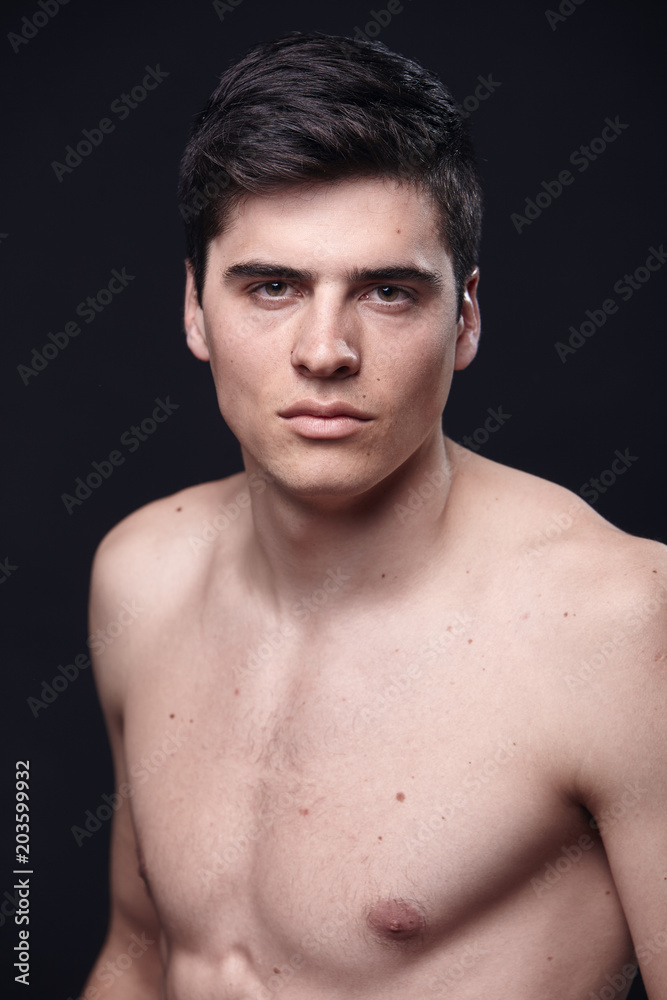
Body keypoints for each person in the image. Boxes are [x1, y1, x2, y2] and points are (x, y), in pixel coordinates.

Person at [82, 31, 666, 1000]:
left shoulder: (620, 624)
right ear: (193, 309)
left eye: (386, 292)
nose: (324, 349)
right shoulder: (141, 571)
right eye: (271, 286)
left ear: (465, 318)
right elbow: (140, 955)